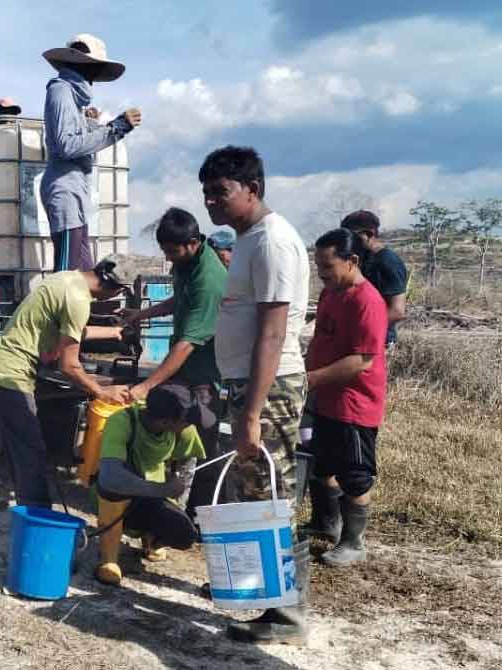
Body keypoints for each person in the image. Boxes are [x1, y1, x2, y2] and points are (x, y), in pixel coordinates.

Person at [201, 145, 310, 644]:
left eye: (220, 192)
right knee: (254, 491)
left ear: (253, 189)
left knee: (273, 495)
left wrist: (251, 412)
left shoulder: (272, 242)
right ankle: (265, 594)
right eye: (206, 193)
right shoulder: (248, 239)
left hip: (270, 387)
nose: (211, 201)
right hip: (250, 385)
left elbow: (272, 331)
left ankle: (288, 617)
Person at [0, 254, 136, 509]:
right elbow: (69, 366)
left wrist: (113, 331)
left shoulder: (67, 279)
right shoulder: (79, 300)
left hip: (0, 368)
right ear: (116, 289)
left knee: (21, 449)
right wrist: (102, 392)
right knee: (32, 451)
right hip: (11, 374)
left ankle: (25, 509)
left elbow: (70, 330)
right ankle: (38, 516)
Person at [120, 207, 227, 510]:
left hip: (203, 374)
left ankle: (201, 514)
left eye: (172, 251)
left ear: (193, 243)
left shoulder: (209, 280)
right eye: (164, 251)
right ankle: (165, 501)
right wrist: (142, 314)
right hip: (184, 369)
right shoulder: (185, 263)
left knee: (203, 446)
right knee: (171, 434)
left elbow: (186, 345)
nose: (168, 258)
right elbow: (179, 300)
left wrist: (146, 385)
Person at [304, 228, 387, 568]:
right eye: (318, 267)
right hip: (324, 398)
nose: (322, 274)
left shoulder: (367, 301)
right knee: (321, 464)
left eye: (328, 266)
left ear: (352, 260)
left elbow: (361, 360)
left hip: (354, 404)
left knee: (354, 475)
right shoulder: (331, 293)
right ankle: (325, 523)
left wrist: (310, 379)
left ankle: (354, 542)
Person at [41, 33, 141, 272]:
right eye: (95, 68)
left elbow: (73, 139)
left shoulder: (72, 99)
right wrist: (116, 128)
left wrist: (90, 124)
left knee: (84, 275)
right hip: (65, 189)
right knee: (67, 276)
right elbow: (66, 145)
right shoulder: (61, 90)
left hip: (74, 190)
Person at [93, 385, 210, 586]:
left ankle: (151, 538)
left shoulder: (183, 430)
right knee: (112, 491)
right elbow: (111, 477)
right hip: (116, 496)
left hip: (152, 497)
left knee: (184, 534)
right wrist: (162, 490)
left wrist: (177, 500)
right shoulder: (122, 421)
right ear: (165, 421)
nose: (190, 426)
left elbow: (187, 464)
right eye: (186, 421)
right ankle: (109, 559)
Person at [340, 210, 408, 350]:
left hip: (378, 342)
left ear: (369, 234)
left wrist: (357, 328)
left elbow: (397, 311)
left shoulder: (388, 261)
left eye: (352, 236)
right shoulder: (360, 258)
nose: (348, 241)